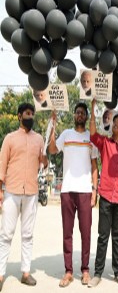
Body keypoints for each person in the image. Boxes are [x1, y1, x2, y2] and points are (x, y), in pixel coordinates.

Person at [48, 103, 99, 287]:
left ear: (86, 117)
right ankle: (68, 271)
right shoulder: (66, 134)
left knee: (86, 233)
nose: (79, 115)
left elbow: (94, 166)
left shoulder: (90, 138)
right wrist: (52, 125)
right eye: (77, 112)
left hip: (85, 190)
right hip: (67, 190)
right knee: (67, 233)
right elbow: (53, 149)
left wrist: (95, 190)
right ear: (74, 115)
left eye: (82, 113)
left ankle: (85, 270)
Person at [0, 103, 48, 290]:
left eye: (32, 113)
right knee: (6, 234)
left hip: (31, 192)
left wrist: (47, 148)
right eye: (27, 113)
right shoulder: (10, 139)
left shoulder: (38, 139)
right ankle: (1, 274)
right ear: (19, 116)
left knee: (27, 234)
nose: (31, 116)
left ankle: (26, 273)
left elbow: (43, 163)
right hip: (12, 191)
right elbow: (2, 165)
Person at [88, 99, 118, 287]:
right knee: (102, 236)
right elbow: (92, 134)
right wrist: (92, 108)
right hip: (106, 196)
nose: (117, 124)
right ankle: (97, 273)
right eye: (114, 122)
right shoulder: (104, 143)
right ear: (111, 126)